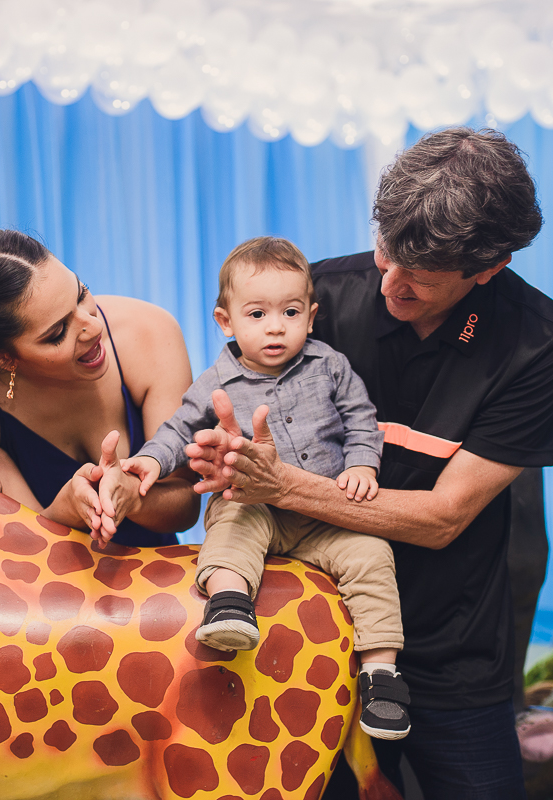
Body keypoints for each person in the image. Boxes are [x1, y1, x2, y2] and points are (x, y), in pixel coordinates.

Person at [185, 128, 553, 800]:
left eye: (420, 277)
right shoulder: (319, 299)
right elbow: (229, 432)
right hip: (309, 627)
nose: (391, 282)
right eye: (386, 254)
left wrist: (283, 483)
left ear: (490, 267)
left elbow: (443, 517)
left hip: (452, 648)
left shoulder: (538, 341)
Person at [125, 236, 413, 740]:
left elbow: (362, 421)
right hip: (254, 507)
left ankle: (382, 674)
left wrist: (363, 466)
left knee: (372, 554)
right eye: (257, 314)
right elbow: (175, 429)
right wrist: (149, 459)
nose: (276, 326)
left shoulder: (331, 366)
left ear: (311, 315)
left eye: (291, 311)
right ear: (226, 321)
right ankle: (231, 604)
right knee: (233, 521)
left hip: (325, 516)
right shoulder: (216, 380)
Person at [0, 227, 201, 547]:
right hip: (53, 589)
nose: (93, 326)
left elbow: (187, 505)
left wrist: (136, 499)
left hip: (160, 581)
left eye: (82, 294)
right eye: (57, 333)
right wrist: (62, 512)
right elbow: (20, 546)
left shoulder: (149, 332)